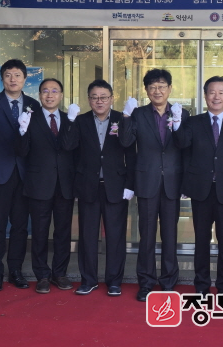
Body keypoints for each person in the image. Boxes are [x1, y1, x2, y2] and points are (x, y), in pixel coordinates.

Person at [174, 76, 223, 296]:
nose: (216, 97)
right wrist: (177, 124)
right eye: (212, 92)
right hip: (201, 191)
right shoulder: (193, 122)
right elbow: (183, 147)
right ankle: (202, 286)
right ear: (205, 95)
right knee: (201, 241)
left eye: (221, 92)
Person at [60, 79, 135, 297]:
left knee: (115, 237)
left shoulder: (122, 118)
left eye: (103, 97)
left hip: (116, 187)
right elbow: (68, 147)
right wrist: (70, 121)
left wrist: (130, 185)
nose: (99, 101)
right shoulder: (80, 121)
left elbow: (130, 150)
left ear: (111, 98)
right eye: (94, 97)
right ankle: (88, 280)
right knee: (87, 237)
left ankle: (114, 281)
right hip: (88, 187)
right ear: (88, 100)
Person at [119, 68, 189, 302]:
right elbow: (125, 142)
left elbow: (185, 146)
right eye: (152, 87)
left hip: (172, 182)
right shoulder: (138, 114)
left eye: (161, 86)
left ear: (170, 89)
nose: (157, 91)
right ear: (146, 90)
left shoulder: (182, 113)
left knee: (170, 235)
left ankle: (169, 281)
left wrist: (177, 124)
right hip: (147, 181)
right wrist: (125, 117)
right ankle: (146, 282)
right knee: (146, 235)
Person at [0, 59, 41, 292]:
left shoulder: (33, 104)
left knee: (20, 226)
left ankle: (15, 270)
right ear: (2, 78)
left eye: (17, 75)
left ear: (25, 79)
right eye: (8, 75)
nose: (13, 79)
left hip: (24, 173)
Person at [18, 78, 76, 294]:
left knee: (63, 232)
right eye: (45, 91)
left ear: (61, 95)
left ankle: (59, 273)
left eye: (54, 91)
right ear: (39, 95)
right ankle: (42, 274)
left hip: (65, 185)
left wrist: (70, 124)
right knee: (40, 232)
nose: (50, 95)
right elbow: (21, 151)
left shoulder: (70, 119)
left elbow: (72, 148)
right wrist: (22, 131)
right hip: (39, 184)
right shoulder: (29, 118)